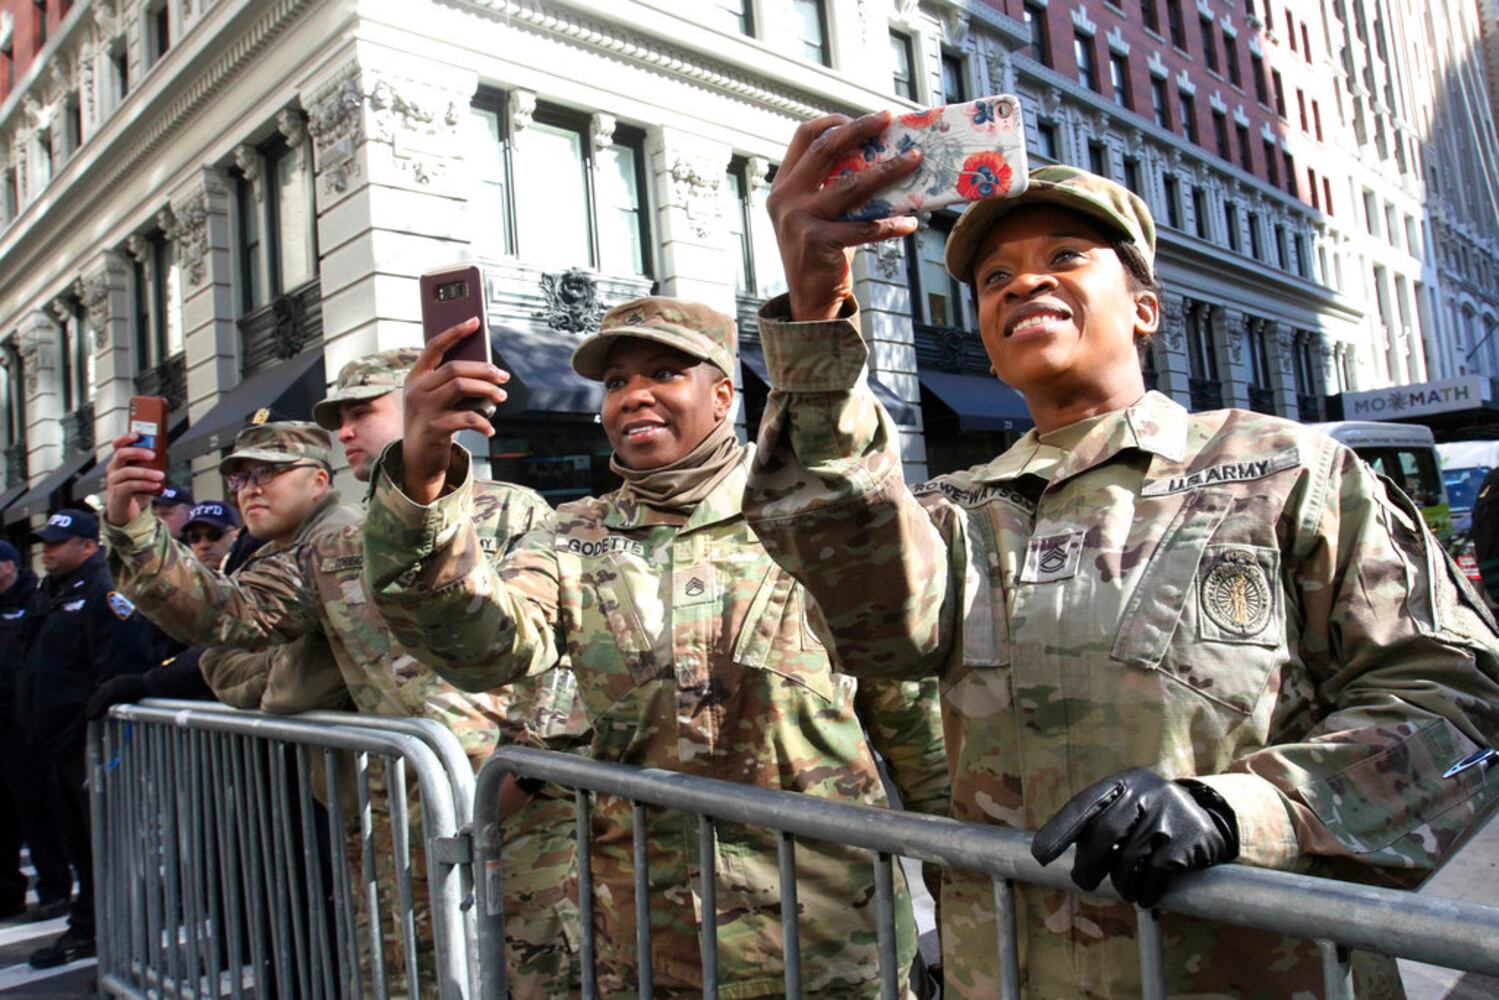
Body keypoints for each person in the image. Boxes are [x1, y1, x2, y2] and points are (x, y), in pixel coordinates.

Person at [741, 113, 1499, 998]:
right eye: (992, 276)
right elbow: (872, 615)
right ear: (986, 336)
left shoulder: (1288, 470)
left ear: (1143, 309)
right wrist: (813, 316)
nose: (1023, 279)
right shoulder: (958, 513)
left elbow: (1460, 713)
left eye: (1065, 256)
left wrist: (1241, 810)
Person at [363, 298, 951, 997]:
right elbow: (482, 647)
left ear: (723, 396)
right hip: (641, 942)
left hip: (826, 941)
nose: (633, 395)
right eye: (615, 383)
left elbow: (915, 721)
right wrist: (422, 478)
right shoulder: (572, 535)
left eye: (665, 372)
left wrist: (967, 891)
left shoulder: (809, 520)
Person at [103, 361, 555, 989]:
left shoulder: (512, 511)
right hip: (393, 823)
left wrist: (531, 768)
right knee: (403, 978)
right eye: (337, 419)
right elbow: (229, 615)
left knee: (528, 975)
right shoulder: (333, 546)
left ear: (422, 404)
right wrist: (134, 528)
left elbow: (563, 650)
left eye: (360, 411)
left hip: (516, 821)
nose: (344, 431)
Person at [18, 510, 154, 968]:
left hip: (92, 746)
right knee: (79, 848)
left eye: (57, 542)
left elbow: (119, 666)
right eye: (44, 543)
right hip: (56, 746)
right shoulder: (53, 592)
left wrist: (92, 729)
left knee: (106, 850)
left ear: (89, 546)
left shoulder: (105, 590)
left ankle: (124, 947)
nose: (47, 550)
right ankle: (87, 931)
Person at [0, 540, 72, 922]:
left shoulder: (36, 602)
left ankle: (54, 889)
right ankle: (8, 894)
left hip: (25, 727)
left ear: (9, 566)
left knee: (38, 813)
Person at [180, 500, 241, 570]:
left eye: (214, 535)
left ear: (236, 535)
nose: (203, 545)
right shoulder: (181, 578)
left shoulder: (252, 573)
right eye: (194, 537)